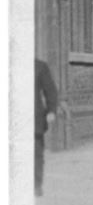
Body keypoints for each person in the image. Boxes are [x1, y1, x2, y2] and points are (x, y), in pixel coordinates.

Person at [35, 59, 58, 197]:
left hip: (33, 118)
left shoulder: (39, 66)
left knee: (36, 152)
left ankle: (36, 184)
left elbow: (50, 90)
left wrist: (51, 111)